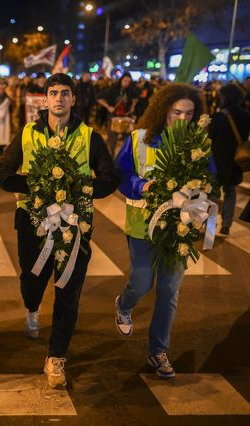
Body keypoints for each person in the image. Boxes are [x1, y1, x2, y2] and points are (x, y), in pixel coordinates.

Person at [0, 73, 119, 389]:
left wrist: (78, 188)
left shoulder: (89, 136)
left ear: (73, 99)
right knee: (32, 280)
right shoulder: (27, 133)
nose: (59, 98)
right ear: (45, 99)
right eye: (53, 93)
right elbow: (2, 173)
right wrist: (38, 185)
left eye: (65, 93)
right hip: (32, 223)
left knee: (68, 290)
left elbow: (109, 177)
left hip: (75, 226)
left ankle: (56, 356)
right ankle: (32, 308)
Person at [114, 83, 215, 378]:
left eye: (189, 113)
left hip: (179, 230)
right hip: (142, 226)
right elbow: (122, 176)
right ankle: (124, 304)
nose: (182, 119)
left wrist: (200, 198)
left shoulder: (199, 146)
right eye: (176, 112)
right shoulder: (139, 139)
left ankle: (158, 351)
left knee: (169, 289)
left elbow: (210, 180)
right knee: (142, 282)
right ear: (163, 111)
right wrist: (144, 186)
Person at [209, 83, 250, 235]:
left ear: (225, 97)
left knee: (213, 194)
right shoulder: (247, 116)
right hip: (237, 161)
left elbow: (209, 136)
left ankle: (211, 226)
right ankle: (226, 225)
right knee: (230, 191)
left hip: (217, 161)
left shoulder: (218, 117)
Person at [97, 72, 139, 156]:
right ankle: (110, 162)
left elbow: (137, 98)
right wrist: (108, 107)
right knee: (111, 142)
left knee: (127, 141)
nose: (126, 83)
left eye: (128, 81)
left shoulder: (131, 90)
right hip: (113, 118)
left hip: (126, 118)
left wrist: (133, 106)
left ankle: (124, 161)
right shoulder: (113, 89)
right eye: (125, 80)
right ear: (121, 80)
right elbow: (99, 98)